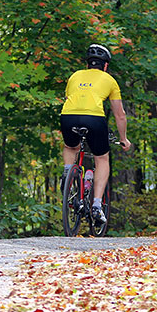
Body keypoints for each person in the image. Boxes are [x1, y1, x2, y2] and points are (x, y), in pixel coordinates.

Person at [60, 44, 132, 225]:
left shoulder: (75, 76)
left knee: (71, 146)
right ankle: (97, 205)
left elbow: (71, 98)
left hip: (68, 116)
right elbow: (120, 115)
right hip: (94, 118)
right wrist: (123, 139)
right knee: (101, 158)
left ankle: (68, 175)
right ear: (105, 65)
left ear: (88, 64)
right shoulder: (110, 80)